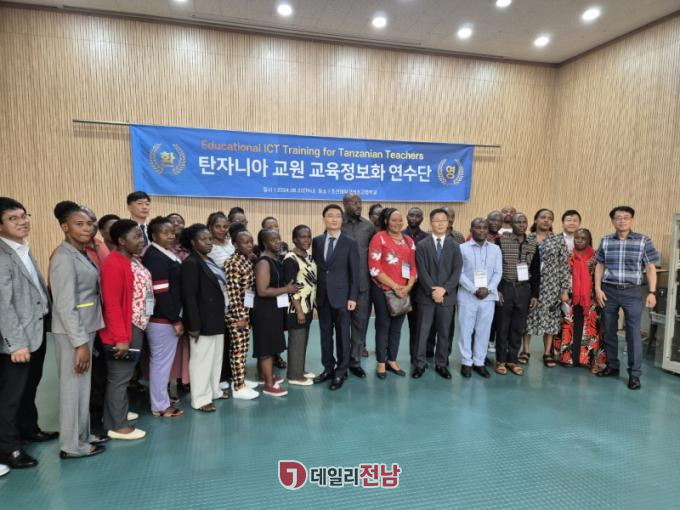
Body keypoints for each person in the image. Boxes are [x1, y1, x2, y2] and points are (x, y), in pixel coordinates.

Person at [0, 197, 56, 471]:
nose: (22, 222)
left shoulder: (22, 247)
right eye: (13, 218)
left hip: (37, 330)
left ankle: (28, 428)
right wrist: (16, 344)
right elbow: (3, 304)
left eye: (24, 216)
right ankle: (8, 448)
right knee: (10, 396)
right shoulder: (2, 255)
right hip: (18, 339)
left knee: (30, 386)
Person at [49, 201, 107, 458]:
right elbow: (64, 305)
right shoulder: (63, 258)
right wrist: (80, 343)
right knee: (73, 389)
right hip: (74, 332)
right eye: (79, 224)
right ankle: (71, 446)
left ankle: (82, 435)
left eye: (90, 224)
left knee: (82, 388)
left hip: (86, 326)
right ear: (65, 227)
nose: (87, 228)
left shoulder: (80, 252)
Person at [594, 206, 659, 390]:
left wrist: (652, 292)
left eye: (626, 217)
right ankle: (612, 366)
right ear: (613, 221)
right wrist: (597, 288)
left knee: (633, 334)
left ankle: (634, 374)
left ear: (632, 220)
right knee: (609, 330)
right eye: (618, 218)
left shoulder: (643, 240)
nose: (622, 221)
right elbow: (600, 265)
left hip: (632, 292)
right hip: (609, 291)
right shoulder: (606, 240)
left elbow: (650, 267)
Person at [99, 219, 150, 440]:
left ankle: (113, 415)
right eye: (136, 237)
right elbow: (112, 305)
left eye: (141, 236)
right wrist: (121, 338)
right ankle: (118, 426)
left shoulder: (132, 259)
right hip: (124, 329)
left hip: (136, 324)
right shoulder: (113, 263)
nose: (142, 240)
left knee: (123, 375)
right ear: (121, 240)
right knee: (119, 377)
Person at [180, 224, 230, 411]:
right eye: (203, 239)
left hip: (216, 317)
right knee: (201, 360)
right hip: (201, 320)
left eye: (210, 239)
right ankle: (200, 399)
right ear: (193, 242)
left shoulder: (208, 260)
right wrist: (193, 325)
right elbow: (189, 296)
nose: (209, 242)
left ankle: (214, 390)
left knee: (215, 358)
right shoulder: (191, 263)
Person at [312, 204, 359, 391]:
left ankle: (341, 371)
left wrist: (353, 297)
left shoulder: (350, 243)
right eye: (330, 216)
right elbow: (316, 269)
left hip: (343, 297)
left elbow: (354, 273)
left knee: (342, 336)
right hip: (323, 297)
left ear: (342, 220)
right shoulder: (317, 241)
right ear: (324, 219)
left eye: (338, 216)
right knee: (325, 336)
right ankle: (328, 369)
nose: (334, 219)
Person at [141, 216, 184, 418]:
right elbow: (162, 292)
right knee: (160, 363)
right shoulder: (154, 256)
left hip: (167, 317)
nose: (170, 236)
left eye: (172, 232)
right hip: (162, 319)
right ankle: (160, 406)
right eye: (165, 233)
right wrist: (175, 319)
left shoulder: (164, 252)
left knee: (162, 363)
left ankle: (161, 399)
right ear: (154, 235)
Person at [412, 208, 462, 379]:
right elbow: (421, 270)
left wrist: (444, 290)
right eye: (436, 220)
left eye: (443, 220)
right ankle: (419, 364)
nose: (440, 223)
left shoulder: (455, 246)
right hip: (426, 297)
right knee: (422, 332)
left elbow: (457, 271)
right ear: (431, 223)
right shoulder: (421, 245)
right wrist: (433, 290)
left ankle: (441, 364)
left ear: (448, 223)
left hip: (447, 298)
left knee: (444, 332)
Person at [369, 208, 417, 379]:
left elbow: (413, 267)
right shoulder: (379, 237)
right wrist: (395, 286)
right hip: (383, 290)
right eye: (394, 220)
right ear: (386, 221)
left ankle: (392, 360)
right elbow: (374, 268)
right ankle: (381, 362)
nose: (398, 223)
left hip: (403, 291)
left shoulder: (409, 241)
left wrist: (408, 286)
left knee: (397, 327)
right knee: (383, 326)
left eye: (400, 220)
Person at [253, 229, 300, 397]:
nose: (278, 241)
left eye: (279, 238)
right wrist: (287, 289)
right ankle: (268, 384)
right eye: (273, 239)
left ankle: (267, 376)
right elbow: (262, 290)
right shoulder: (264, 263)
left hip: (274, 309)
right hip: (265, 310)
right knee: (266, 347)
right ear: (264, 243)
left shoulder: (276, 259)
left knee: (272, 345)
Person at [553, 229, 607, 372]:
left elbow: (601, 276)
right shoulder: (568, 255)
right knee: (569, 327)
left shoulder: (596, 256)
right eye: (577, 238)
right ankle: (568, 358)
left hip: (590, 299)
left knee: (589, 329)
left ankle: (588, 359)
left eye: (583, 238)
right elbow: (562, 276)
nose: (579, 240)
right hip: (570, 297)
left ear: (589, 240)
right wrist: (563, 292)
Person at [523, 209, 571, 368]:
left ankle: (547, 353)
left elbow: (564, 266)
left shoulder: (558, 240)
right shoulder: (527, 238)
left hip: (552, 286)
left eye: (549, 218)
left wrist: (564, 290)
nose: (546, 220)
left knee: (550, 319)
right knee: (528, 317)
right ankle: (525, 351)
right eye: (543, 217)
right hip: (530, 285)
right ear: (536, 220)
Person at [496, 213, 540, 376]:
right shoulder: (502, 241)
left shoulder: (533, 244)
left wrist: (535, 294)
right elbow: (496, 267)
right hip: (506, 287)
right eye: (517, 222)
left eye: (524, 222)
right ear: (511, 224)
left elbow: (535, 271)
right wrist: (497, 289)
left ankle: (512, 360)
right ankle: (500, 360)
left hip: (524, 289)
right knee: (502, 326)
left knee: (518, 327)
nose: (521, 225)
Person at [457, 218, 502, 379]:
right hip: (467, 295)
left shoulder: (495, 249)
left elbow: (498, 272)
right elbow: (459, 272)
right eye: (478, 227)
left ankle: (479, 362)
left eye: (484, 228)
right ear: (471, 230)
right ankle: (466, 362)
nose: (482, 230)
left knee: (484, 330)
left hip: (488, 297)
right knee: (466, 329)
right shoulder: (462, 248)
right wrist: (474, 289)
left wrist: (488, 289)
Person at [341, 193, 375, 377]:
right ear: (344, 204)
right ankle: (342, 362)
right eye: (354, 203)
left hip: (362, 285)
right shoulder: (338, 224)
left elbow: (375, 254)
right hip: (341, 285)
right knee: (341, 326)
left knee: (359, 325)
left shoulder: (369, 226)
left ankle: (355, 362)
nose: (358, 206)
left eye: (360, 203)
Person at [224, 228, 259, 399]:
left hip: (246, 310)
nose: (249, 245)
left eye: (251, 241)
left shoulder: (245, 260)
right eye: (245, 242)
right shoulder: (232, 263)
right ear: (235, 244)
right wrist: (240, 317)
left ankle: (239, 380)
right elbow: (233, 293)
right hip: (236, 314)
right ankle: (238, 388)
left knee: (243, 348)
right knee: (238, 349)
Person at [283, 225, 318, 386]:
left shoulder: (308, 257)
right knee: (296, 341)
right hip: (297, 308)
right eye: (303, 237)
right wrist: (299, 311)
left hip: (308, 306)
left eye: (309, 236)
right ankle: (294, 375)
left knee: (303, 340)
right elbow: (291, 288)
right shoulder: (290, 259)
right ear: (294, 239)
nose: (307, 240)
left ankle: (300, 369)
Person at [206, 211, 233, 392]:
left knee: (232, 339)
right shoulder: (209, 248)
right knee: (220, 340)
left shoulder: (230, 244)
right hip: (219, 299)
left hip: (235, 298)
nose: (222, 230)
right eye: (218, 226)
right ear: (210, 227)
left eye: (225, 226)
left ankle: (231, 374)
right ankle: (220, 376)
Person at [403, 207, 428, 363]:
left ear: (422, 219)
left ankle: (415, 357)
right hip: (400, 287)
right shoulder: (399, 235)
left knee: (417, 325)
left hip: (419, 287)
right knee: (394, 325)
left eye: (418, 216)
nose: (414, 218)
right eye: (411, 215)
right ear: (407, 217)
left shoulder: (426, 238)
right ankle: (389, 358)